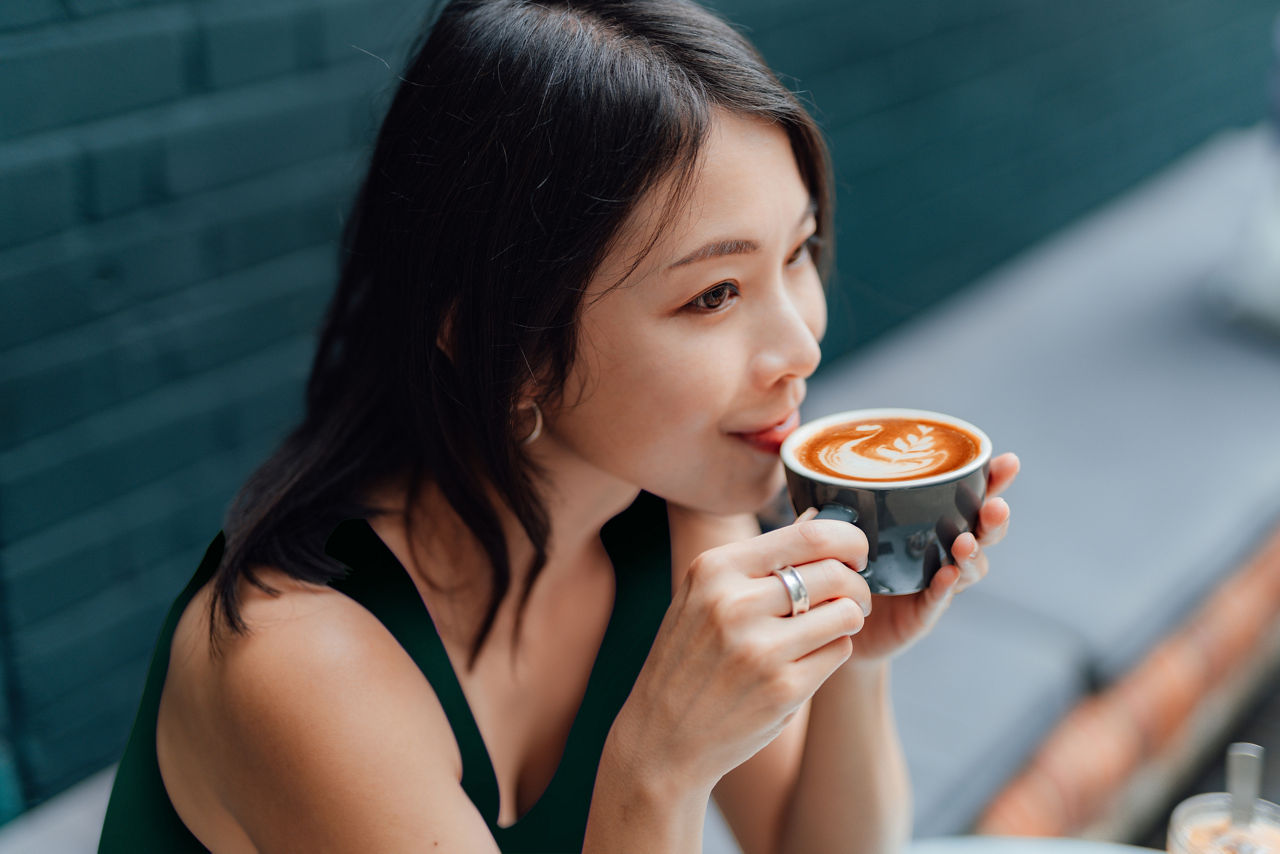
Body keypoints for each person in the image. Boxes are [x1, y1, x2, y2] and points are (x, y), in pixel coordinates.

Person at [98, 0, 1020, 851]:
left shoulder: (673, 513)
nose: (800, 347)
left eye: (798, 252)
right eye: (714, 294)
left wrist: (853, 661)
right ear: (508, 343)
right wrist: (654, 771)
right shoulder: (299, 665)